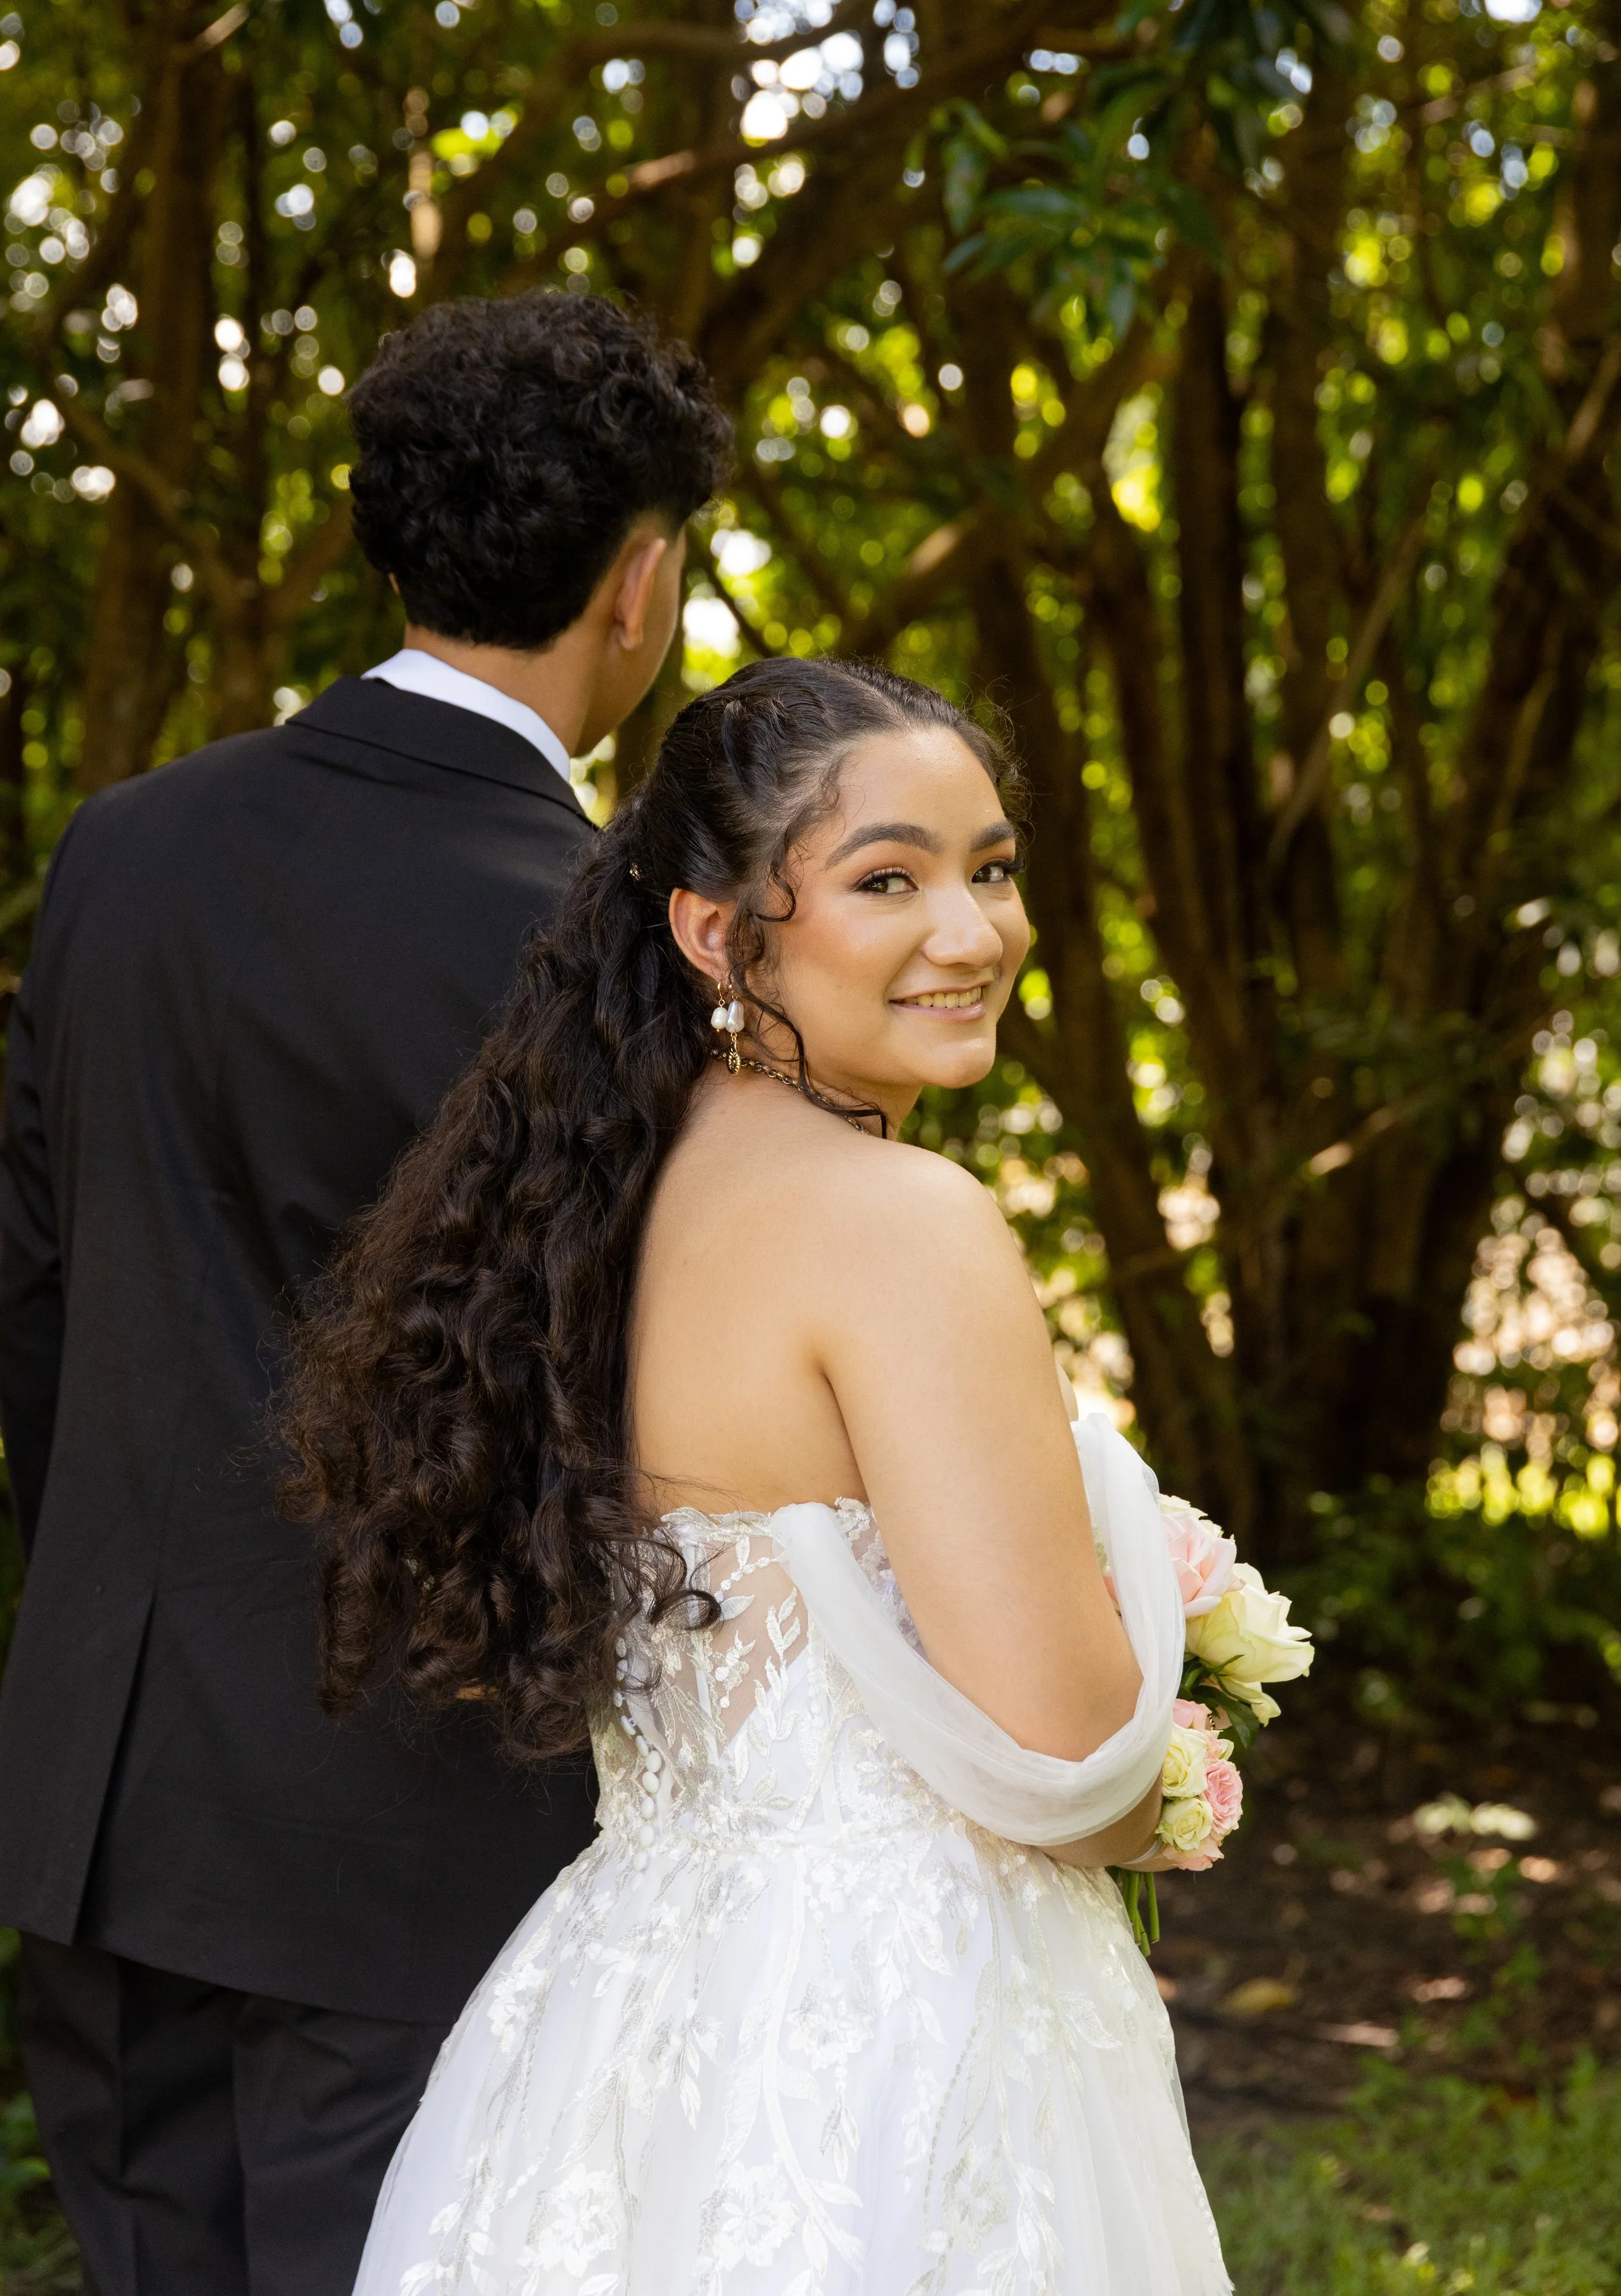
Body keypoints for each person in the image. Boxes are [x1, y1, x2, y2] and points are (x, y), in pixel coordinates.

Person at [281, 656, 1230, 2295]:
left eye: (989, 867)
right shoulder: (900, 1223)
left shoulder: (602, 1213)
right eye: (887, 878)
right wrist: (1173, 1768)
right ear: (717, 930)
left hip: (628, 1991)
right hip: (898, 2008)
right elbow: (1064, 1744)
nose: (970, 930)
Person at [0, 290, 731, 2296]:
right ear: (641, 578)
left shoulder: (121, 853)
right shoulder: (605, 952)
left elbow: (44, 1304)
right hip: (416, 1808)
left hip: (110, 1790)